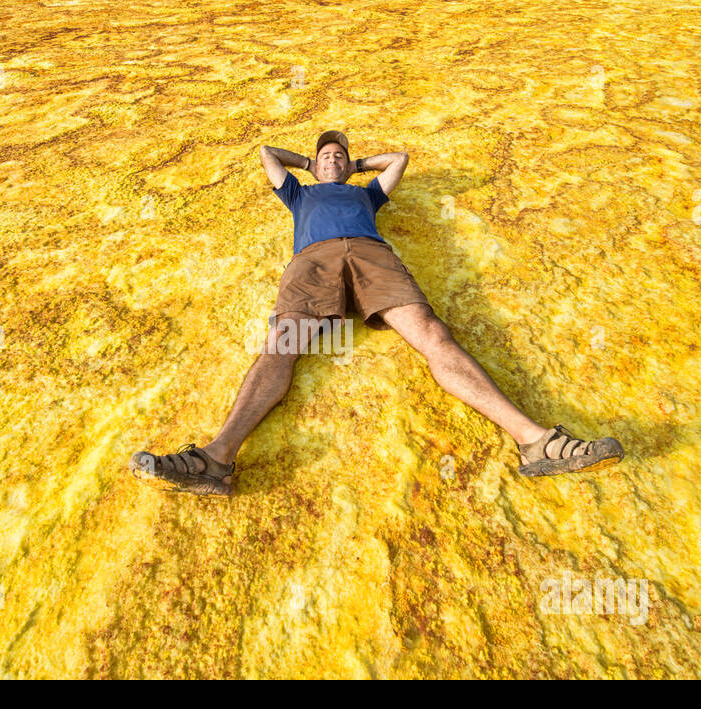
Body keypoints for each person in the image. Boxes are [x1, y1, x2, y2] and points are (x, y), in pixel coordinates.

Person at [130, 130, 623, 496]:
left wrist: (356, 163)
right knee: (278, 350)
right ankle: (217, 460)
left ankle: (535, 442)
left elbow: (400, 158)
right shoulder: (297, 193)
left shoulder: (366, 192)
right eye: (326, 154)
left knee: (433, 334)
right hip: (313, 261)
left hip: (371, 254)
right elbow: (266, 153)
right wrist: (308, 161)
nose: (331, 158)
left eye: (337, 154)